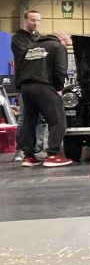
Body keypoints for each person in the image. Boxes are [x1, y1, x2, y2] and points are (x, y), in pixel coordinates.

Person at [18, 30, 73, 168]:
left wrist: (21, 87)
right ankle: (53, 155)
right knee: (58, 121)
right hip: (44, 86)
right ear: (61, 39)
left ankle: (28, 156)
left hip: (26, 87)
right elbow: (60, 69)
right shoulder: (57, 46)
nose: (66, 46)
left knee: (29, 121)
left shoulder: (29, 47)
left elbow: (19, 69)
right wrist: (59, 88)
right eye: (66, 43)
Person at [11, 10, 43, 160]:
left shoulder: (40, 38)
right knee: (24, 117)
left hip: (41, 82)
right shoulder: (17, 38)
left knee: (41, 118)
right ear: (25, 20)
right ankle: (20, 150)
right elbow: (28, 54)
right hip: (25, 83)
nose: (35, 23)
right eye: (32, 20)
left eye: (38, 20)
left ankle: (35, 148)